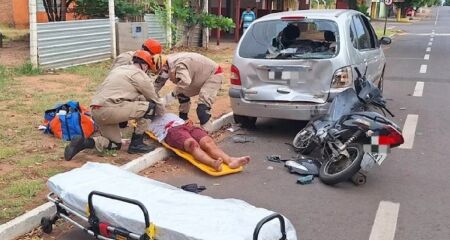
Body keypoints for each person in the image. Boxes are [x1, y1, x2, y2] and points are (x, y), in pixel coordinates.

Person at [64, 50, 165, 161]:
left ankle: (83, 143)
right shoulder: (140, 75)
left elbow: (126, 94)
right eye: (148, 69)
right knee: (150, 107)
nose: (148, 71)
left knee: (114, 144)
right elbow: (154, 100)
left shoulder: (119, 70)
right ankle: (137, 144)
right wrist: (162, 116)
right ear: (145, 65)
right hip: (110, 110)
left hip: (96, 111)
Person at [149, 113, 250, 171]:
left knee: (207, 141)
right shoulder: (147, 121)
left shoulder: (166, 112)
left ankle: (230, 160)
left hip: (187, 125)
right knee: (192, 144)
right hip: (171, 131)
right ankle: (213, 163)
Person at [153, 52, 224, 132]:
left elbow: (185, 82)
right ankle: (183, 119)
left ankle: (207, 133)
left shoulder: (179, 65)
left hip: (213, 74)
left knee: (202, 109)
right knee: (182, 93)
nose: (162, 75)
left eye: (161, 71)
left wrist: (169, 97)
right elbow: (157, 84)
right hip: (198, 75)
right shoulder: (166, 62)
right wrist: (148, 96)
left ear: (165, 66)